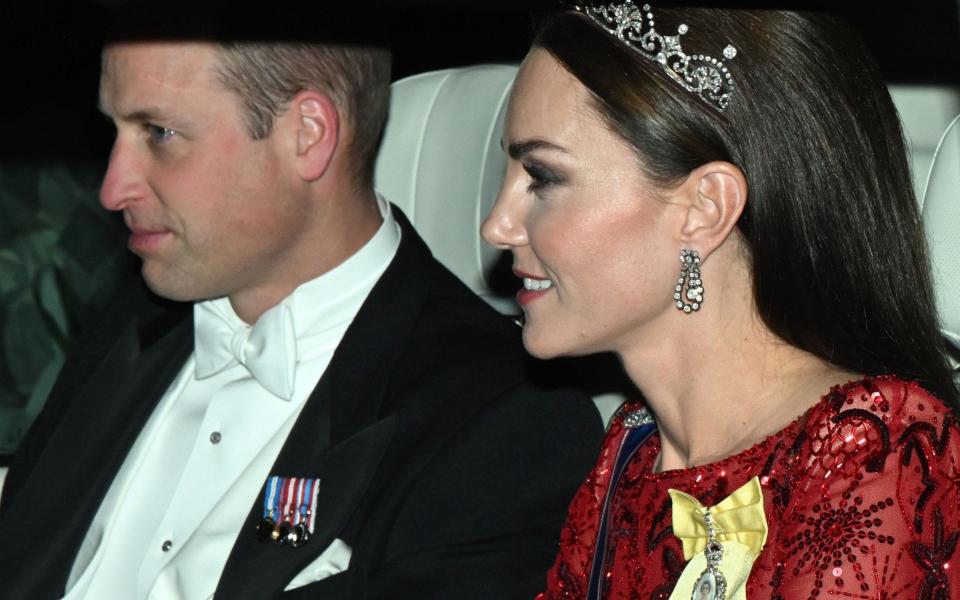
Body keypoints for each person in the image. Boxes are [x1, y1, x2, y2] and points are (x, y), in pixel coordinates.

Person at [0, 7, 604, 599]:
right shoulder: (136, 321)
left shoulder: (502, 423)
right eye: (115, 132)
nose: (112, 187)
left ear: (307, 136)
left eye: (159, 134)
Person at [482, 1, 960, 598]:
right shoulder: (630, 452)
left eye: (543, 177)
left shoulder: (873, 449)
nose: (497, 226)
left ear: (705, 208)